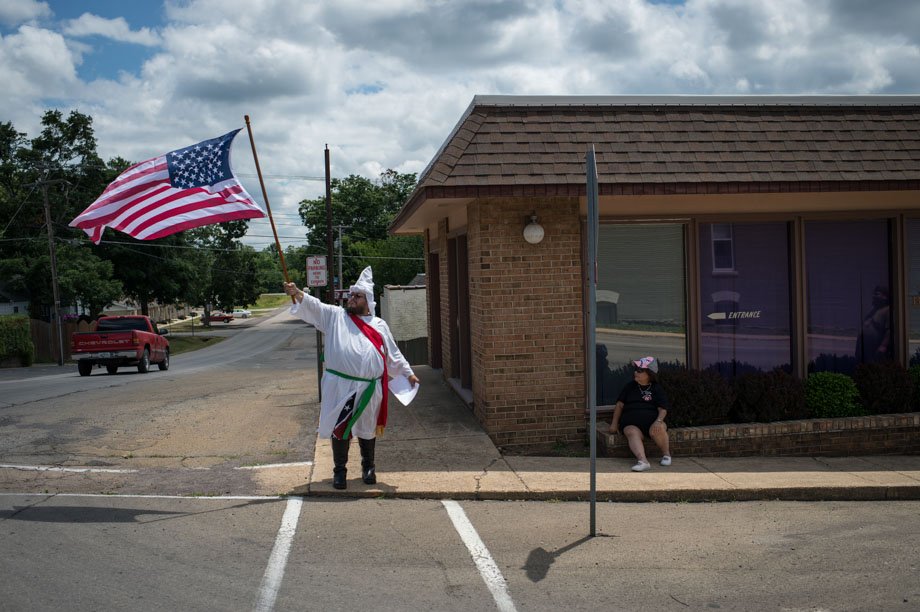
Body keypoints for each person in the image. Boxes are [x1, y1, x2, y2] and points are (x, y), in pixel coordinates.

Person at [283, 267, 419, 489]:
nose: (352, 299)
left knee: (367, 426)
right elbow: (315, 307)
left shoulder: (379, 325)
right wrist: (296, 292)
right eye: (351, 295)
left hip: (369, 387)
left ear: (368, 301)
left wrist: (409, 373)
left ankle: (368, 467)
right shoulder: (336, 317)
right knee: (341, 427)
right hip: (340, 385)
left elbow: (393, 354)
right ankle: (340, 471)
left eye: (357, 296)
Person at [607, 356, 672, 472]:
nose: (636, 372)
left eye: (640, 370)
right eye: (636, 369)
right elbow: (619, 405)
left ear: (649, 374)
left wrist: (658, 421)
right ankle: (643, 461)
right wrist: (614, 424)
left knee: (658, 428)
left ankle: (666, 455)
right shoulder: (630, 387)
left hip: (652, 423)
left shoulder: (656, 389)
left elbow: (663, 409)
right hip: (632, 424)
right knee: (630, 431)